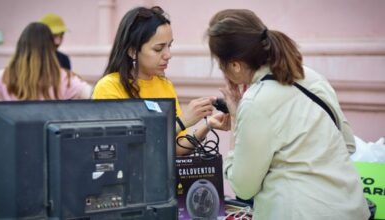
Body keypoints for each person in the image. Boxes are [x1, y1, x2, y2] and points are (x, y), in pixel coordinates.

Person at [207, 9, 370, 220]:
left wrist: (237, 117)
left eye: (221, 65)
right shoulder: (310, 76)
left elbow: (243, 187)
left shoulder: (255, 102)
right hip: (352, 208)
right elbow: (348, 145)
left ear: (235, 65)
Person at [92, 6, 230, 155]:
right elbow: (127, 150)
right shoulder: (109, 87)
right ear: (132, 51)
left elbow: (177, 149)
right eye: (159, 49)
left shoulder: (165, 85)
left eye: (169, 46)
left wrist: (207, 125)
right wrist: (182, 122)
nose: (168, 54)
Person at [0, 22, 91, 101]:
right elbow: (94, 95)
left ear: (20, 47)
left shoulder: (3, 77)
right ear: (50, 49)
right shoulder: (64, 78)